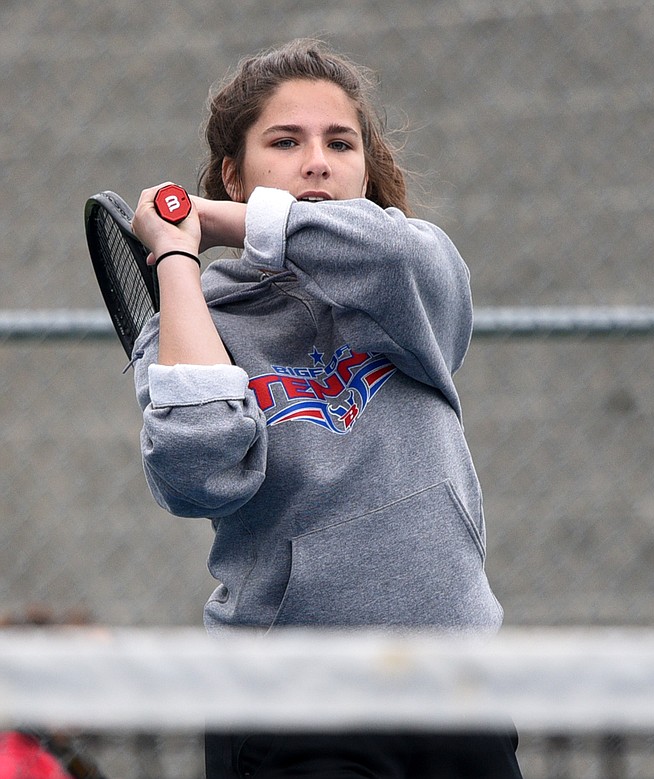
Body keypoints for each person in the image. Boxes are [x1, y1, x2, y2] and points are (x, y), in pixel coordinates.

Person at [129, 39, 522, 778]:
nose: (317, 161)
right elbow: (200, 471)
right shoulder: (194, 322)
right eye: (286, 141)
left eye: (340, 142)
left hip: (458, 689)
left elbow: (407, 258)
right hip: (290, 704)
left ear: (366, 169)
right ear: (234, 173)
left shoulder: (410, 281)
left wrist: (216, 221)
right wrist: (178, 262)